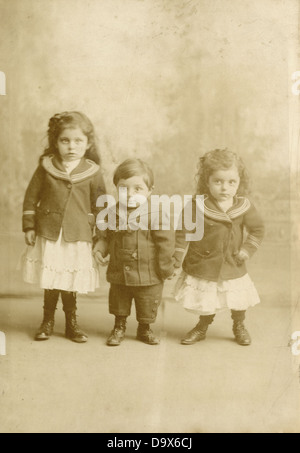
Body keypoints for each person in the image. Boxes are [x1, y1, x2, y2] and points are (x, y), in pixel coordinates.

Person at [21, 111, 106, 343]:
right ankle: (47, 321)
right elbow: (31, 197)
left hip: (77, 235)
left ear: (88, 143)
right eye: (65, 140)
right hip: (49, 233)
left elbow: (101, 206)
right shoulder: (46, 167)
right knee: (51, 281)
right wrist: (29, 227)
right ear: (55, 142)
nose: (71, 146)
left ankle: (71, 323)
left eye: (78, 141)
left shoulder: (93, 171)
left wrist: (102, 237)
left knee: (69, 282)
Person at [173, 148, 264, 346]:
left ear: (239, 182)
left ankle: (238, 325)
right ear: (207, 181)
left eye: (232, 182)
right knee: (208, 298)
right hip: (205, 261)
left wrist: (247, 250)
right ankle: (202, 326)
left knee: (237, 297)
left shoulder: (244, 206)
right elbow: (183, 232)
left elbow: (257, 230)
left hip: (232, 261)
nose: (225, 188)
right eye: (218, 181)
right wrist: (177, 255)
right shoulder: (197, 205)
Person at [93, 158, 175, 346]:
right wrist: (100, 249)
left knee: (147, 301)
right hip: (120, 270)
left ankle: (144, 329)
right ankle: (119, 326)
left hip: (148, 271)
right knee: (119, 300)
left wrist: (165, 268)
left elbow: (166, 243)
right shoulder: (112, 212)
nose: (129, 194)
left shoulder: (156, 213)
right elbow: (106, 236)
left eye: (137, 188)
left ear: (150, 191)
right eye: (123, 188)